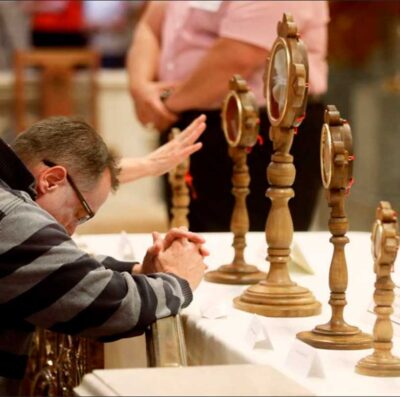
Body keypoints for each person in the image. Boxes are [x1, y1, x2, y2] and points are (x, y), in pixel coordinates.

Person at [0, 114, 207, 396]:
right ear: (51, 180)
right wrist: (177, 279)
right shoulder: (11, 213)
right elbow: (108, 304)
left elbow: (53, 266)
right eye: (80, 213)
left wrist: (135, 271)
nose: (71, 230)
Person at [127, 1, 329, 232]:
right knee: (190, 243)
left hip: (262, 128)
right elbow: (150, 26)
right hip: (189, 119)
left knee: (258, 251)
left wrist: (165, 104)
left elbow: (239, 56)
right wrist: (141, 87)